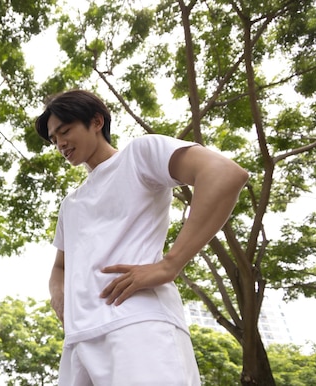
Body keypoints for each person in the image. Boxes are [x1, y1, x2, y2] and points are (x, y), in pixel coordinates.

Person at [35, 90, 248, 385]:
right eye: (53, 138)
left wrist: (169, 265)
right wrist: (61, 303)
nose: (59, 143)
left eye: (65, 131)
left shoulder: (139, 154)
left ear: (96, 121)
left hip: (138, 325)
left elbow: (224, 174)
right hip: (79, 341)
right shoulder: (70, 204)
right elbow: (60, 267)